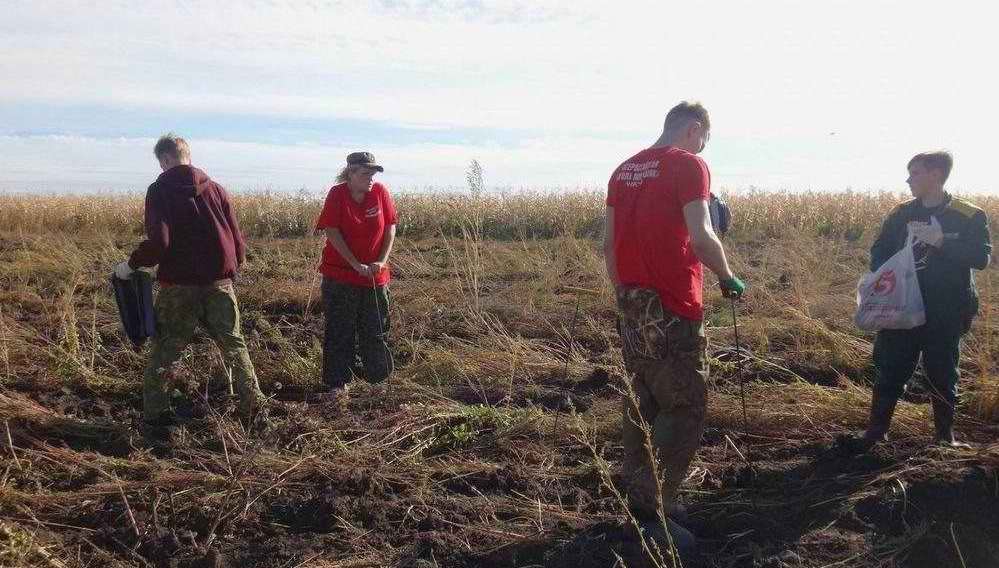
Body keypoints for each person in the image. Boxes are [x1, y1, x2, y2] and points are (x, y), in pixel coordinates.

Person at [604, 101, 745, 550]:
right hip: (673, 304)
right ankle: (655, 510)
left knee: (642, 399)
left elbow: (609, 244)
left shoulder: (623, 170)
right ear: (694, 129)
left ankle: (640, 494)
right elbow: (703, 236)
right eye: (705, 137)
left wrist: (626, 296)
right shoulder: (689, 165)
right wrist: (727, 277)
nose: (704, 145)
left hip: (632, 302)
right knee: (683, 406)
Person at [114, 133, 266, 438]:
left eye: (161, 162)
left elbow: (160, 241)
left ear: (166, 159)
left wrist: (130, 265)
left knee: (166, 349)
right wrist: (228, 273)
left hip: (179, 287)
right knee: (235, 347)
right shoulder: (217, 190)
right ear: (188, 155)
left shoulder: (159, 190)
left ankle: (157, 417)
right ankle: (254, 411)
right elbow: (238, 242)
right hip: (219, 284)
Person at [851, 151, 990, 451]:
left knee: (942, 372)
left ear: (936, 175)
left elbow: (981, 257)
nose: (908, 179)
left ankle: (944, 437)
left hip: (947, 309)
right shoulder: (901, 214)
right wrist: (887, 272)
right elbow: (879, 249)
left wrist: (942, 242)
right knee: (891, 367)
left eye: (915, 173)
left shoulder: (969, 215)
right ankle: (875, 434)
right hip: (900, 306)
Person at [314, 152, 397, 394]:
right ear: (350, 173)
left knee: (376, 329)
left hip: (374, 277)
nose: (370, 178)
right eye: (365, 173)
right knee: (340, 330)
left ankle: (378, 382)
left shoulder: (380, 192)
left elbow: (390, 227)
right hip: (340, 277)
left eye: (373, 174)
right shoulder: (337, 194)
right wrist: (354, 264)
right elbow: (332, 231)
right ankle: (338, 384)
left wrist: (381, 261)